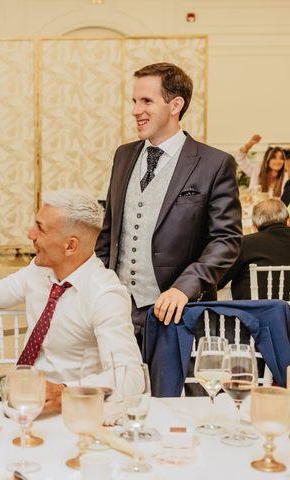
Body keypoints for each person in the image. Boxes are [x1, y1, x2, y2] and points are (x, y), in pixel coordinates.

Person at [0, 189, 143, 412]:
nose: (30, 234)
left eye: (40, 229)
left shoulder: (105, 294)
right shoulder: (40, 272)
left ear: (70, 245)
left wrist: (65, 391)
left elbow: (129, 376)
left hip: (71, 412)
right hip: (19, 400)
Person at [95, 62, 242, 344]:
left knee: (171, 388)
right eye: (134, 101)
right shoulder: (123, 155)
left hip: (179, 312)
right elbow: (109, 231)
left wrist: (184, 288)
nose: (136, 111)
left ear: (175, 105)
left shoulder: (214, 163)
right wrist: (98, 288)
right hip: (117, 311)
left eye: (146, 101)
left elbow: (226, 240)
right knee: (120, 386)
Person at [218, 199, 290, 300]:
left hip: (252, 314)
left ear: (255, 227)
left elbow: (219, 280)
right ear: (288, 220)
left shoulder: (244, 244)